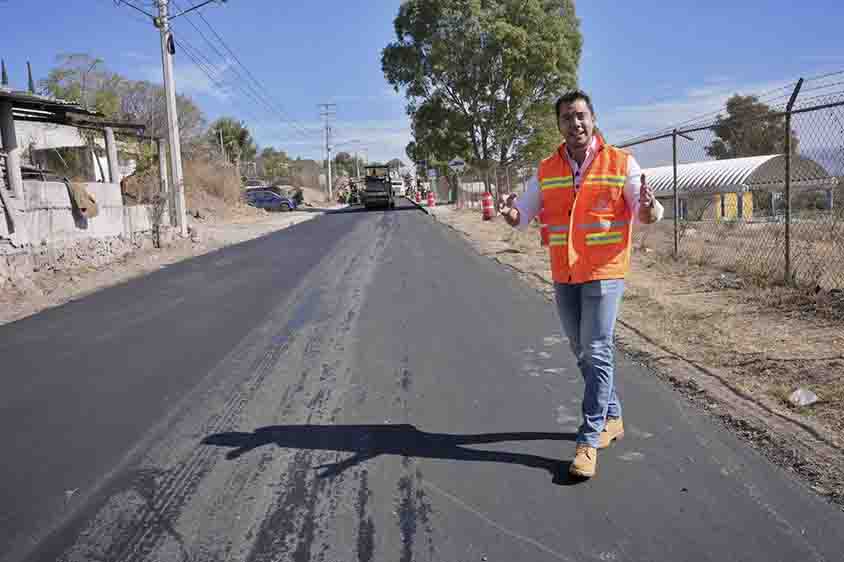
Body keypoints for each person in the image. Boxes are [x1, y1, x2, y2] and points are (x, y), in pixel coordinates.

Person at [502, 89, 664, 479]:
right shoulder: (547, 168)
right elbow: (523, 213)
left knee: (597, 347)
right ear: (558, 125)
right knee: (581, 351)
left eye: (580, 116)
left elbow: (646, 210)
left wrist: (648, 208)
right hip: (564, 273)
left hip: (605, 271)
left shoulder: (621, 162)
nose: (574, 123)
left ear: (592, 119)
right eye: (566, 118)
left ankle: (588, 441)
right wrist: (510, 213)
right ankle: (613, 416)